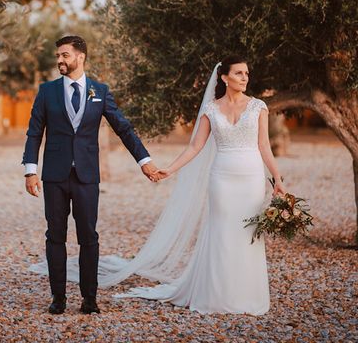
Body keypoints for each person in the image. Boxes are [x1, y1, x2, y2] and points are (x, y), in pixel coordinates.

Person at [113, 55, 286, 314]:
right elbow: (196, 146)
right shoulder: (211, 109)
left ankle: (246, 296)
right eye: (239, 73)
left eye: (247, 74)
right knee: (222, 232)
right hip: (222, 178)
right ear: (225, 78)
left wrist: (278, 179)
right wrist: (170, 169)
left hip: (251, 178)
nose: (245, 78)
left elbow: (264, 146)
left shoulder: (258, 107)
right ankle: (217, 296)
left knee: (248, 233)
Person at [22, 35, 158, 315]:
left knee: (89, 238)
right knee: (55, 236)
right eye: (58, 56)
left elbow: (124, 128)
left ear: (80, 57)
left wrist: (144, 160)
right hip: (55, 177)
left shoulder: (100, 90)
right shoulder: (46, 91)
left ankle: (89, 299)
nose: (60, 60)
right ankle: (58, 299)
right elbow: (35, 131)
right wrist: (30, 170)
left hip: (87, 176)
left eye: (65, 55)